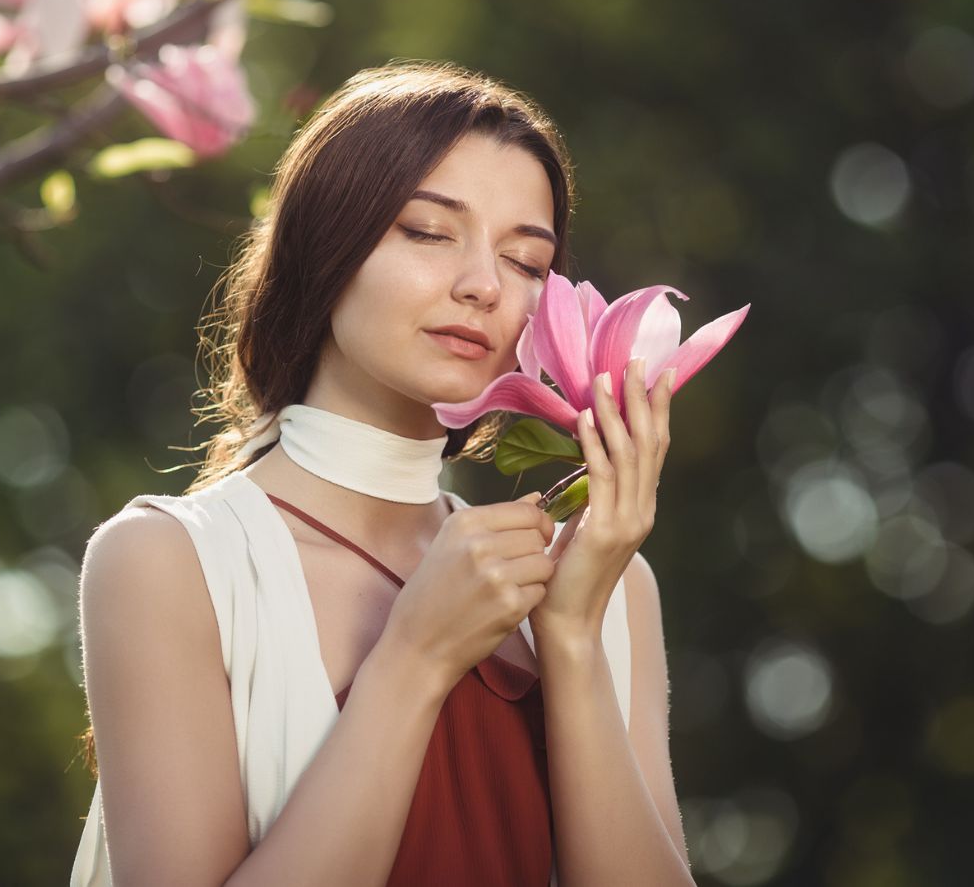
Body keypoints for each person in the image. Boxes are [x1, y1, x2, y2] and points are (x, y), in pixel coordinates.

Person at [70, 60, 693, 886]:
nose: (481, 287)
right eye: (429, 232)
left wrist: (572, 638)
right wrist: (415, 659)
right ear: (325, 243)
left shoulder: (608, 587)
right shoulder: (170, 564)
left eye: (526, 262)